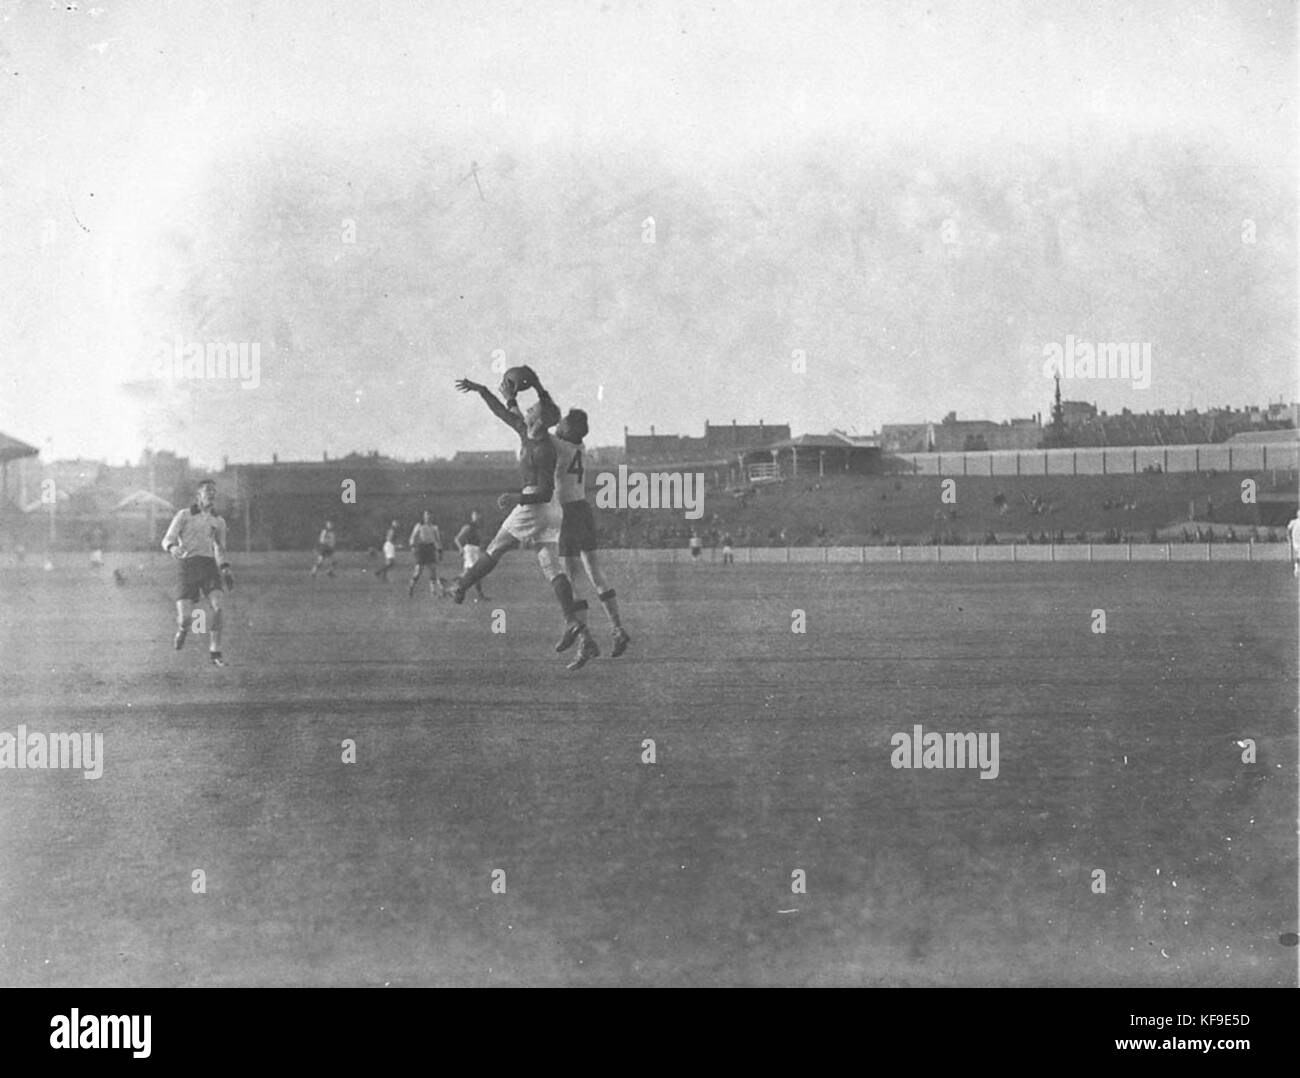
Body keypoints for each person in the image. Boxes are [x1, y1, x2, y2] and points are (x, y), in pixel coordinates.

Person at [452, 371, 599, 670]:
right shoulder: (526, 430)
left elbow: (544, 492)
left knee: (496, 548)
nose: (524, 408)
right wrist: (482, 390)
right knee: (551, 567)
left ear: (538, 420)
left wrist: (516, 498)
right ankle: (577, 627)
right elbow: (502, 411)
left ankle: (462, 585)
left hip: (535, 503)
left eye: (531, 409)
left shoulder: (544, 448)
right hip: (552, 510)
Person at [550, 407, 631, 658]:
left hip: (567, 512)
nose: (557, 425)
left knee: (572, 578)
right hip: (584, 510)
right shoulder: (580, 448)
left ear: (567, 430)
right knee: (596, 575)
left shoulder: (560, 446)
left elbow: (534, 428)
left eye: (562, 423)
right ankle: (617, 629)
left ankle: (583, 636)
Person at [161, 478, 234, 667]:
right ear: (198, 495)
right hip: (187, 567)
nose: (211, 494)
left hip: (209, 566)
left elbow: (219, 547)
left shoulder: (218, 521)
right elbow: (167, 539)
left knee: (218, 607)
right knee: (186, 618)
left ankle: (215, 652)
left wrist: (225, 568)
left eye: (213, 491)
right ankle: (183, 629)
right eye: (207, 490)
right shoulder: (184, 515)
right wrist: (172, 548)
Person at [408, 511, 449, 597]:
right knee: (418, 571)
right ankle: (411, 587)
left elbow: (437, 540)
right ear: (424, 516)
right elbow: (413, 536)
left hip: (430, 548)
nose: (429, 517)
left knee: (433, 570)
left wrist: (440, 551)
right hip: (421, 548)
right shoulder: (419, 526)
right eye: (427, 516)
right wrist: (412, 546)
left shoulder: (434, 527)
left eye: (430, 516)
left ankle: (433, 592)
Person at [453, 510, 488, 601]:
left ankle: (454, 588)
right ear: (472, 516)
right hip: (470, 550)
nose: (477, 516)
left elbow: (479, 540)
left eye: (478, 514)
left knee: (472, 574)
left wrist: (481, 547)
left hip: (476, 551)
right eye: (475, 514)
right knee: (474, 573)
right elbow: (457, 539)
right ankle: (452, 586)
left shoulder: (478, 527)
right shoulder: (468, 526)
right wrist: (460, 548)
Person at [1288, 511, 1300, 578]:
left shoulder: (1293, 522)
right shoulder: (1294, 522)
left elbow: (1288, 529)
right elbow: (1288, 529)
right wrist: (1289, 537)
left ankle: (1296, 567)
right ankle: (1296, 568)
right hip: (1297, 542)